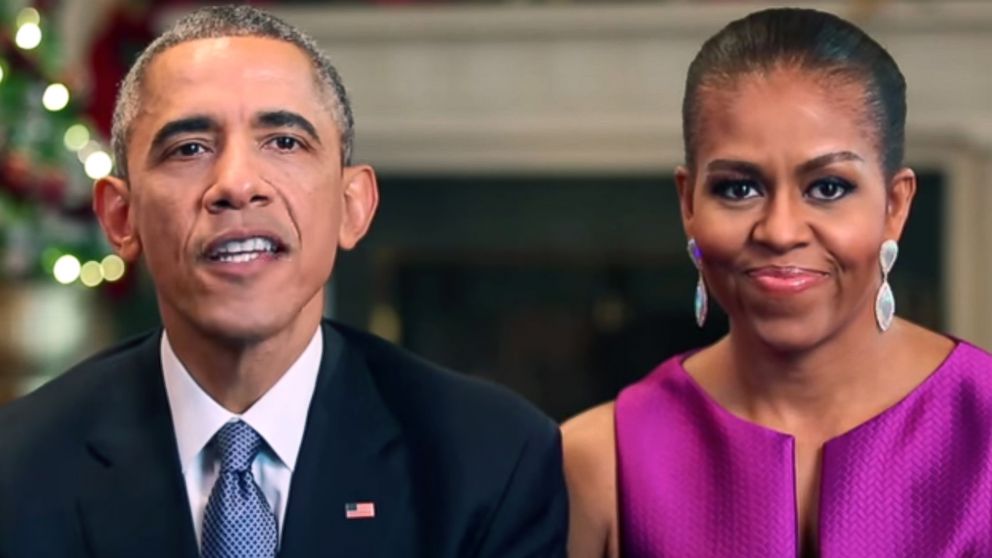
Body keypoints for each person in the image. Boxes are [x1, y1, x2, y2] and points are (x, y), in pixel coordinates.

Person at [0, 6, 566, 558]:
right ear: (121, 218)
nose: (238, 184)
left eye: (285, 142)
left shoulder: (492, 460)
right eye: (189, 149)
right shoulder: (17, 468)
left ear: (353, 207)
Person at [563, 7, 992, 558]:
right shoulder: (599, 459)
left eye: (829, 188)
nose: (781, 231)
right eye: (739, 189)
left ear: (895, 205)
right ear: (687, 203)